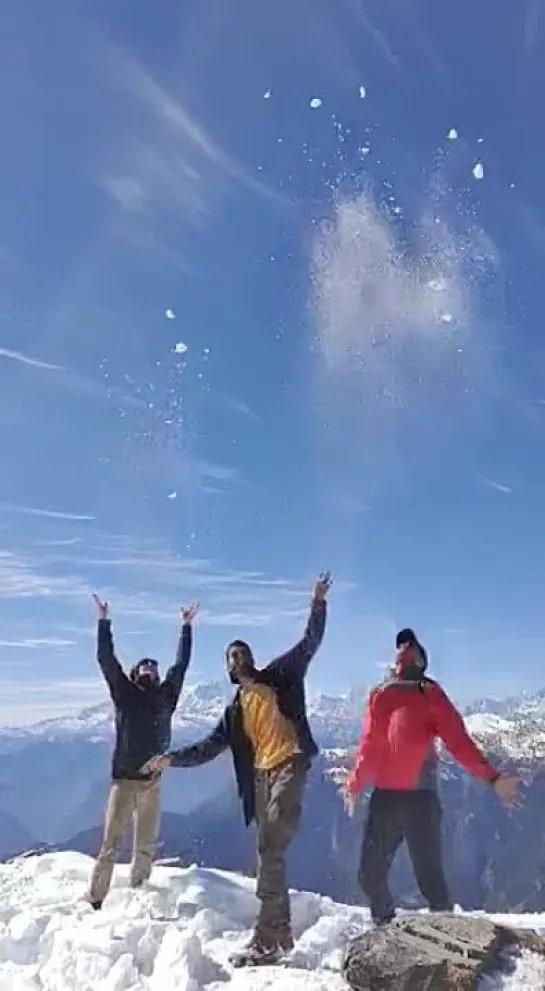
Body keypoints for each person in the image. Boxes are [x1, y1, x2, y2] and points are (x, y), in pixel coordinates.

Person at [143, 572, 332, 967]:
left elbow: (309, 643)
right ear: (228, 669)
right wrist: (170, 759)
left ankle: (268, 938)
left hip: (289, 764)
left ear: (251, 658)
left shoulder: (280, 676)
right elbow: (209, 746)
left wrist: (317, 602)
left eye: (241, 651)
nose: (237, 657)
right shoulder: (235, 711)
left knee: (272, 841)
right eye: (231, 655)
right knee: (268, 855)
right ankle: (278, 935)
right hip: (261, 780)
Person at [344, 627, 519, 926]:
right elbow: (459, 744)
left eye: (406, 646)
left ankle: (389, 926)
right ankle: (432, 933)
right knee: (427, 877)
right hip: (418, 800)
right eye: (404, 646)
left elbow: (369, 747)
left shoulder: (386, 694)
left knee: (374, 875)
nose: (405, 650)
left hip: (391, 799)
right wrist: (492, 778)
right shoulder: (424, 693)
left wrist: (355, 784)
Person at [87, 593, 199, 909]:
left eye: (153, 666)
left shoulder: (167, 697)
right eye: (144, 666)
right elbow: (106, 661)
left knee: (146, 845)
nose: (150, 669)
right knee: (110, 845)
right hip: (123, 783)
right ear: (136, 674)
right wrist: (104, 621)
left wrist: (186, 627)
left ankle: (139, 895)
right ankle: (95, 899)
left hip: (153, 781)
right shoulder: (125, 694)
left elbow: (181, 666)